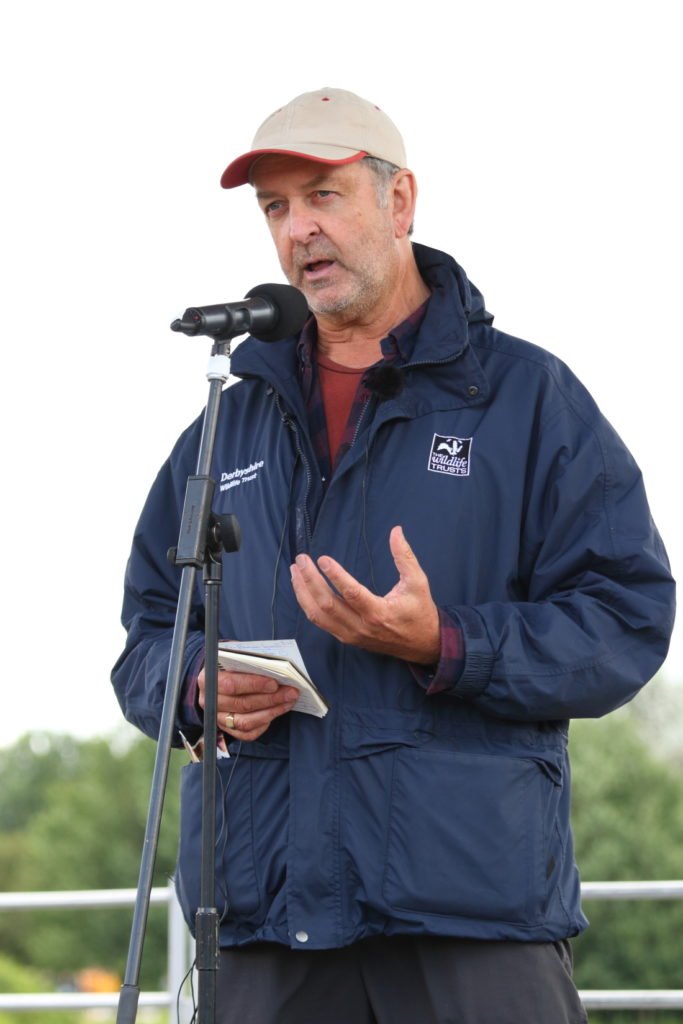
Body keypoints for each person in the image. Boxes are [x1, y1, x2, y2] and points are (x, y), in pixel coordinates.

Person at [112, 87, 675, 1023]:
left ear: (399, 199)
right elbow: (148, 634)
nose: (298, 229)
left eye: (323, 195)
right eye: (275, 207)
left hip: (471, 915)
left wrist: (446, 642)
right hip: (264, 914)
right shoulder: (224, 422)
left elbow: (626, 619)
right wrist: (196, 689)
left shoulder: (528, 400)